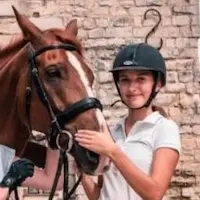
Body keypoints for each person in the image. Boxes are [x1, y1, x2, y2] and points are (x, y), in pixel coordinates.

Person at [75, 43, 181, 200]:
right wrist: (80, 171)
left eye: (141, 79)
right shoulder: (112, 133)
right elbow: (100, 195)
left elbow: (154, 193)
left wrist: (112, 151)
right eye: (125, 80)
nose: (132, 88)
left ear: (157, 84)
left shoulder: (165, 128)